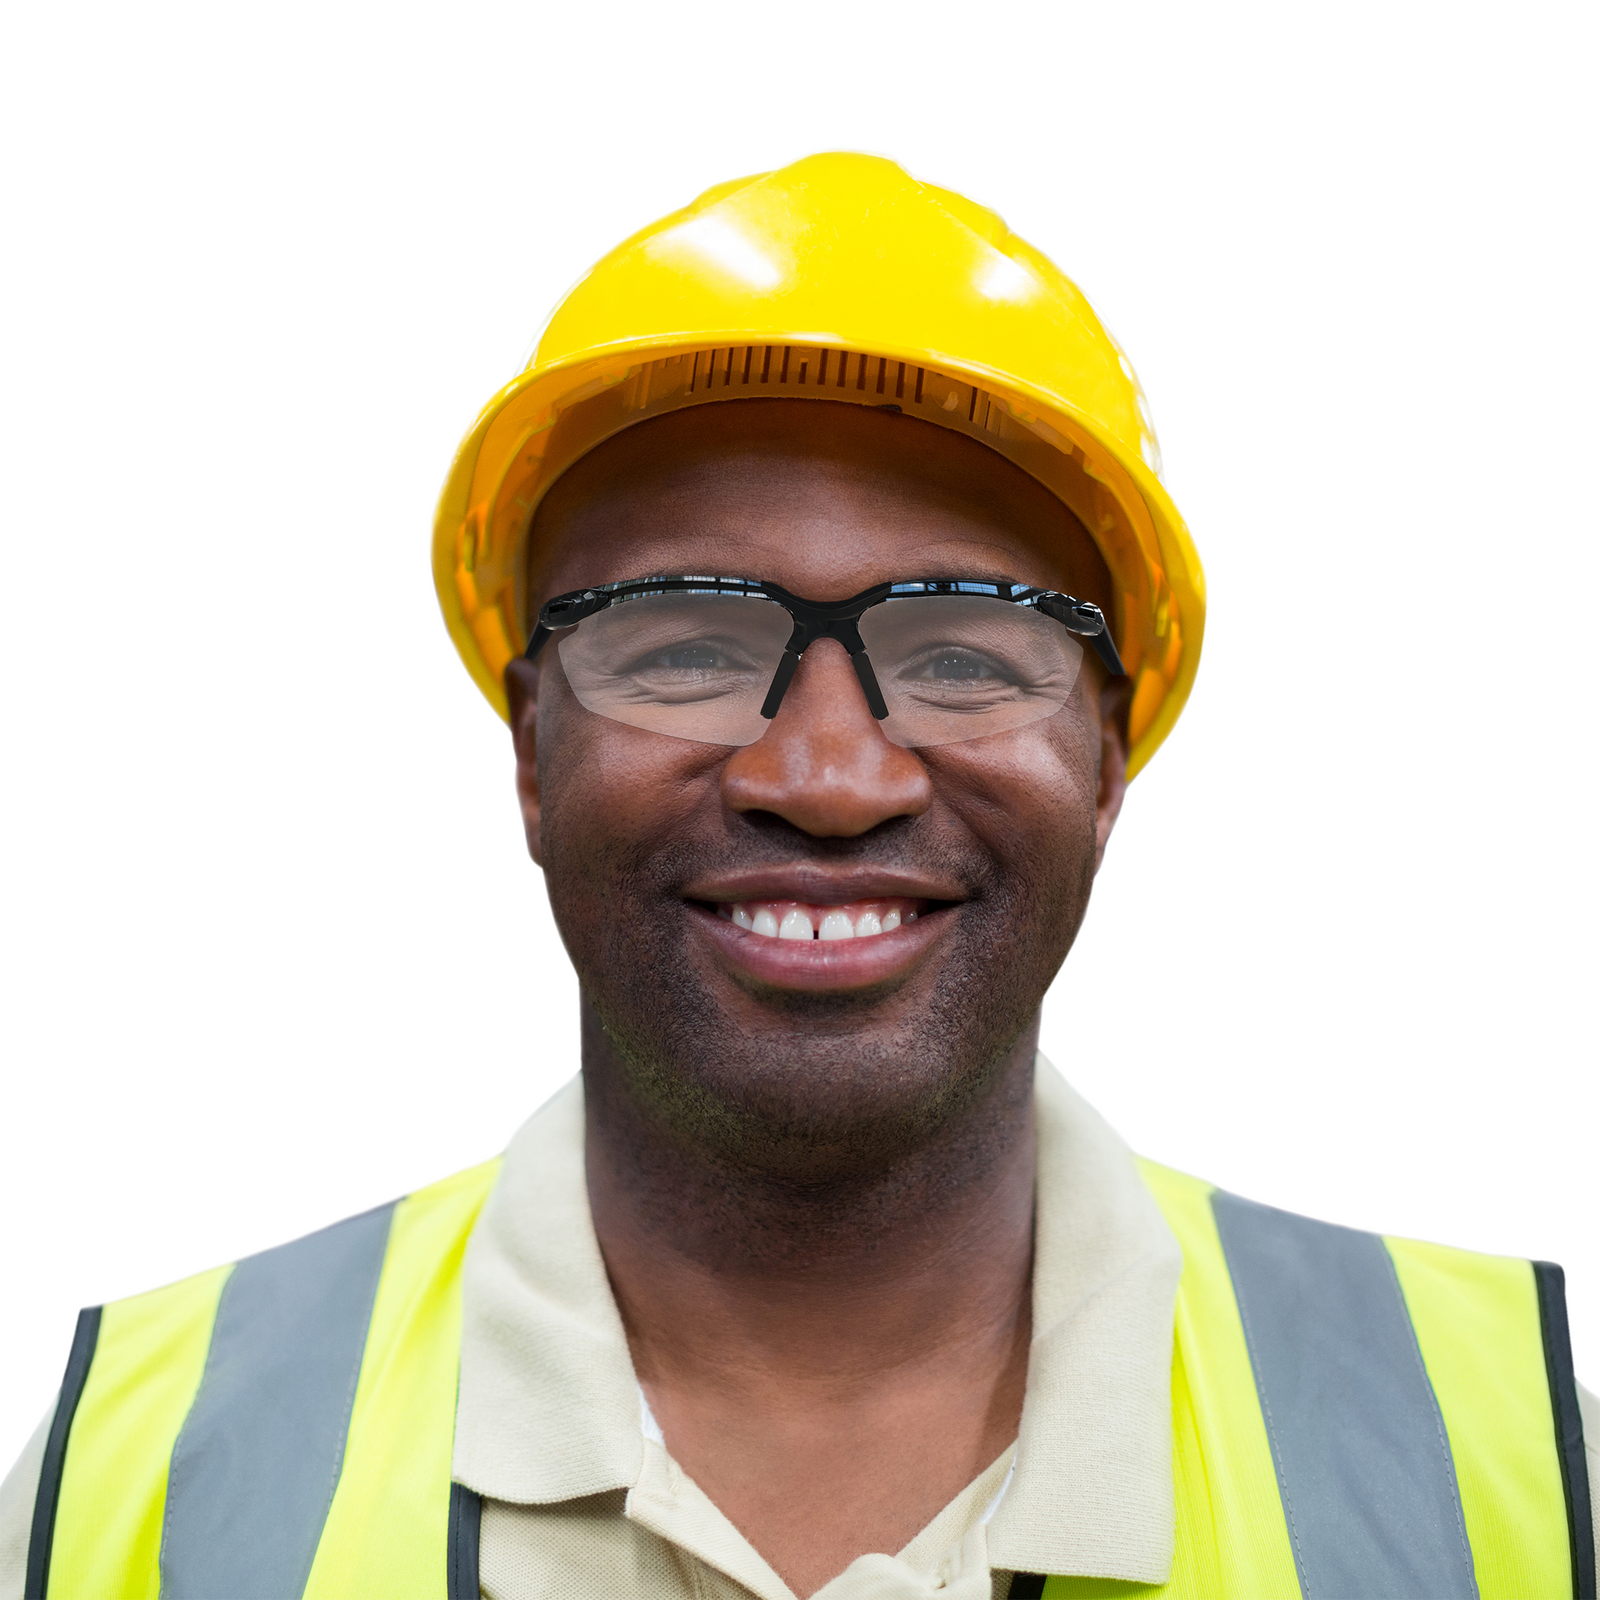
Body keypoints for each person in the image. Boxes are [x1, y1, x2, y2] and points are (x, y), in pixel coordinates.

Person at [2, 152, 1594, 1600]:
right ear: (532, 753)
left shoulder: (1515, 1467)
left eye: (962, 654)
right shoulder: (133, 1478)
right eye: (688, 644)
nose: (828, 779)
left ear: (1111, 762)